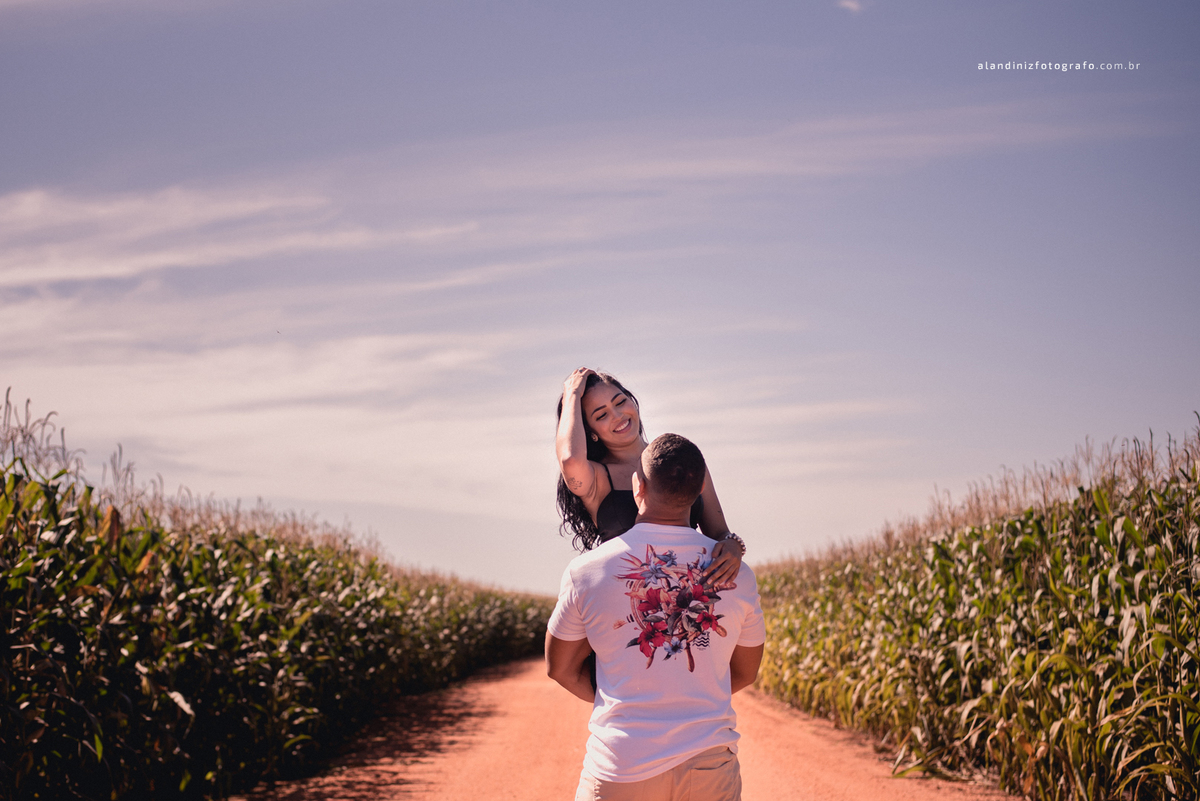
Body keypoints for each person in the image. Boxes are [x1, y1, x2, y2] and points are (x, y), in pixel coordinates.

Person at [546, 433, 766, 801]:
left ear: (638, 485)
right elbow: (746, 671)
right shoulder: (737, 574)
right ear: (698, 494)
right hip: (709, 765)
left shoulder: (587, 571)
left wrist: (620, 697)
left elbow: (560, 668)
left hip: (620, 764)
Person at [556, 367, 745, 585]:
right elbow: (570, 459)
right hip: (625, 599)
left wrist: (733, 545)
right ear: (591, 432)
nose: (617, 416)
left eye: (620, 402)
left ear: (632, 401)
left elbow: (720, 533)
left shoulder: (679, 458)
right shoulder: (596, 479)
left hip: (687, 595)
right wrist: (571, 393)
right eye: (601, 415)